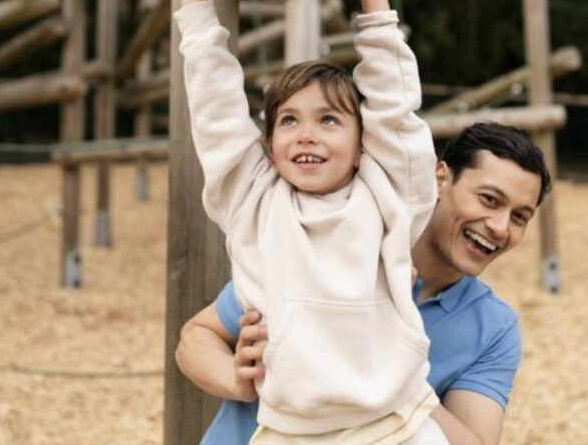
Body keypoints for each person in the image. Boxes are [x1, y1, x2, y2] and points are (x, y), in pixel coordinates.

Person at [167, 0, 444, 442]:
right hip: (289, 432)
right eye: (288, 121)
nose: (306, 135)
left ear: (364, 143)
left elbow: (394, 103)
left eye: (329, 119)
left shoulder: (389, 196)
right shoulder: (254, 202)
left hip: (395, 426)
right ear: (268, 143)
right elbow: (214, 102)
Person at [177, 121, 552, 445]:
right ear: (440, 179)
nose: (500, 227)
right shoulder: (334, 244)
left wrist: (399, 377)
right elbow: (196, 337)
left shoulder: (493, 328)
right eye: (489, 199)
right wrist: (234, 378)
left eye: (519, 217)